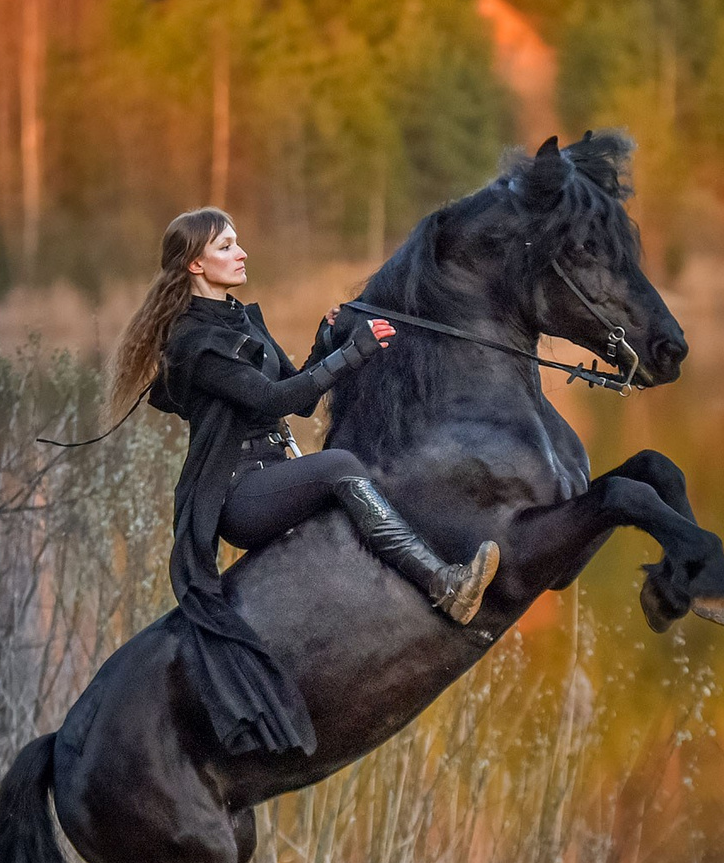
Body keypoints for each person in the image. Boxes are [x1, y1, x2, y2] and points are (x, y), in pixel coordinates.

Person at [111, 207, 502, 757]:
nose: (241, 252)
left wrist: (326, 343)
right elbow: (272, 401)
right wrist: (352, 353)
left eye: (237, 241)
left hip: (273, 472)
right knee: (341, 465)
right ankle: (444, 585)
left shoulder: (239, 321)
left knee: (349, 465)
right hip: (238, 494)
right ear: (196, 263)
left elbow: (299, 397)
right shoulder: (194, 344)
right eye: (226, 247)